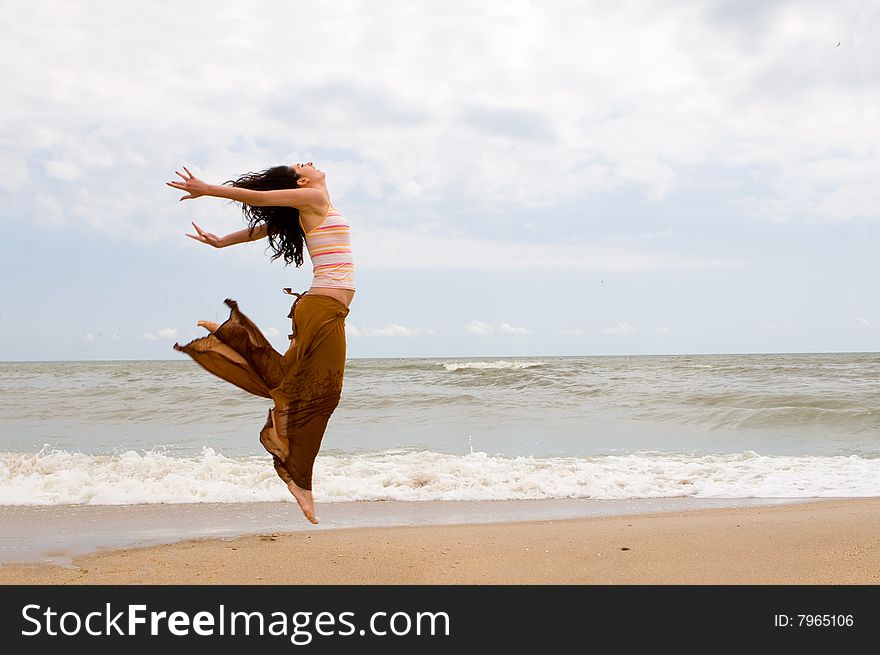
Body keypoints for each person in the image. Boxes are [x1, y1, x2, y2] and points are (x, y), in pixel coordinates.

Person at [166, 162, 355, 524]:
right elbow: (257, 197)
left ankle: (232, 335)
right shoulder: (314, 197)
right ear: (302, 181)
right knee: (323, 393)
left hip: (324, 309)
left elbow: (262, 230)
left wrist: (222, 242)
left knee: (293, 379)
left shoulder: (311, 208)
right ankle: (300, 481)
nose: (309, 163)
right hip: (322, 308)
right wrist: (209, 189)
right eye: (302, 165)